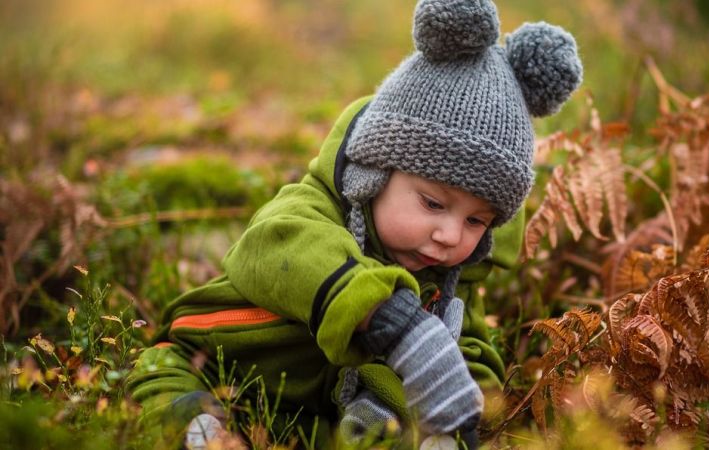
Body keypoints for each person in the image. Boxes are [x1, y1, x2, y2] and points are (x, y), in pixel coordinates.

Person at [126, 0, 582, 448]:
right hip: (217, 358)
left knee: (394, 424)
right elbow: (273, 248)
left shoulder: (449, 280)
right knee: (165, 377)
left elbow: (472, 352)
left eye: (476, 221)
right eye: (431, 204)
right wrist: (387, 316)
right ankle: (199, 429)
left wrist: (462, 405)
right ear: (374, 172)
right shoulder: (311, 209)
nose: (449, 235)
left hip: (314, 415)